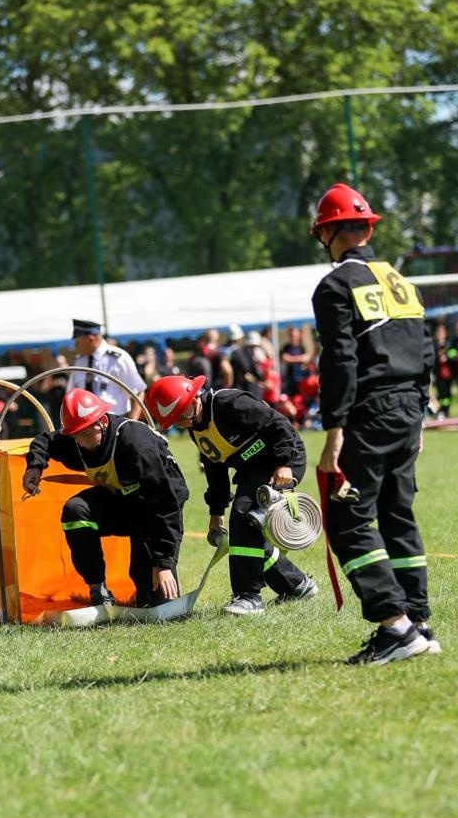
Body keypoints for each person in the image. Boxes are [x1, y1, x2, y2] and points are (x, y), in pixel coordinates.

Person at [310, 182, 437, 665]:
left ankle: (395, 626)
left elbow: (340, 360)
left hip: (369, 413)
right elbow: (425, 350)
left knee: (347, 519)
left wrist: (335, 430)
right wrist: (420, 412)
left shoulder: (336, 285)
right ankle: (419, 623)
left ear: (328, 234)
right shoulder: (401, 281)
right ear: (366, 228)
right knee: (397, 513)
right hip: (408, 410)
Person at [144, 374, 318, 616]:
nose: (182, 424)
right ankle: (296, 585)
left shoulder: (230, 404)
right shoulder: (197, 428)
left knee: (244, 513)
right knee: (247, 526)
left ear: (194, 399)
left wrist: (283, 463)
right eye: (176, 420)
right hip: (253, 469)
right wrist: (216, 513)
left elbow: (278, 424)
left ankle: (249, 597)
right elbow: (215, 470)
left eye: (182, 415)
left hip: (282, 460)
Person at [21, 388, 188, 608]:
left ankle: (152, 590)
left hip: (154, 507)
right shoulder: (78, 438)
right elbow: (45, 440)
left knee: (157, 604)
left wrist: (164, 562)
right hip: (121, 502)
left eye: (86, 434)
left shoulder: (136, 445)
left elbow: (166, 506)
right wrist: (35, 466)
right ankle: (98, 590)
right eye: (76, 436)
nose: (81, 442)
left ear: (103, 422)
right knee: (75, 510)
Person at [67, 319, 146, 418]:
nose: (75, 345)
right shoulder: (79, 361)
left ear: (90, 339)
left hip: (115, 421)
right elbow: (70, 395)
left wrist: (132, 425)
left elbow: (138, 392)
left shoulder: (118, 359)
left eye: (77, 341)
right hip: (86, 423)